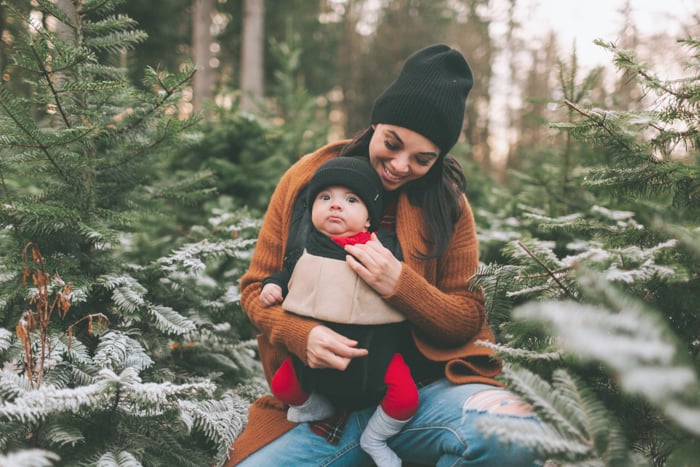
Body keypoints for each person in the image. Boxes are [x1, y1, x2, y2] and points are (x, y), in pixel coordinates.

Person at [228, 43, 542, 466]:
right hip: (324, 407)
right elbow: (254, 290)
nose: (399, 165)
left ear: (440, 158)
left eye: (422, 158)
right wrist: (300, 335)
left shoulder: (448, 208)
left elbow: (467, 318)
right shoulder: (306, 180)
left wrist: (401, 285)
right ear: (375, 123)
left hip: (423, 398)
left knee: (514, 435)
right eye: (392, 143)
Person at [260, 156, 418, 466]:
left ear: (369, 218)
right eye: (325, 197)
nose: (335, 205)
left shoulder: (378, 246)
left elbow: (403, 279)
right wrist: (274, 285)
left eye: (350, 199)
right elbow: (288, 273)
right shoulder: (307, 245)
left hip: (374, 352)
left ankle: (374, 438)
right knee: (283, 385)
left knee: (406, 399)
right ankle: (316, 408)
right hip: (315, 355)